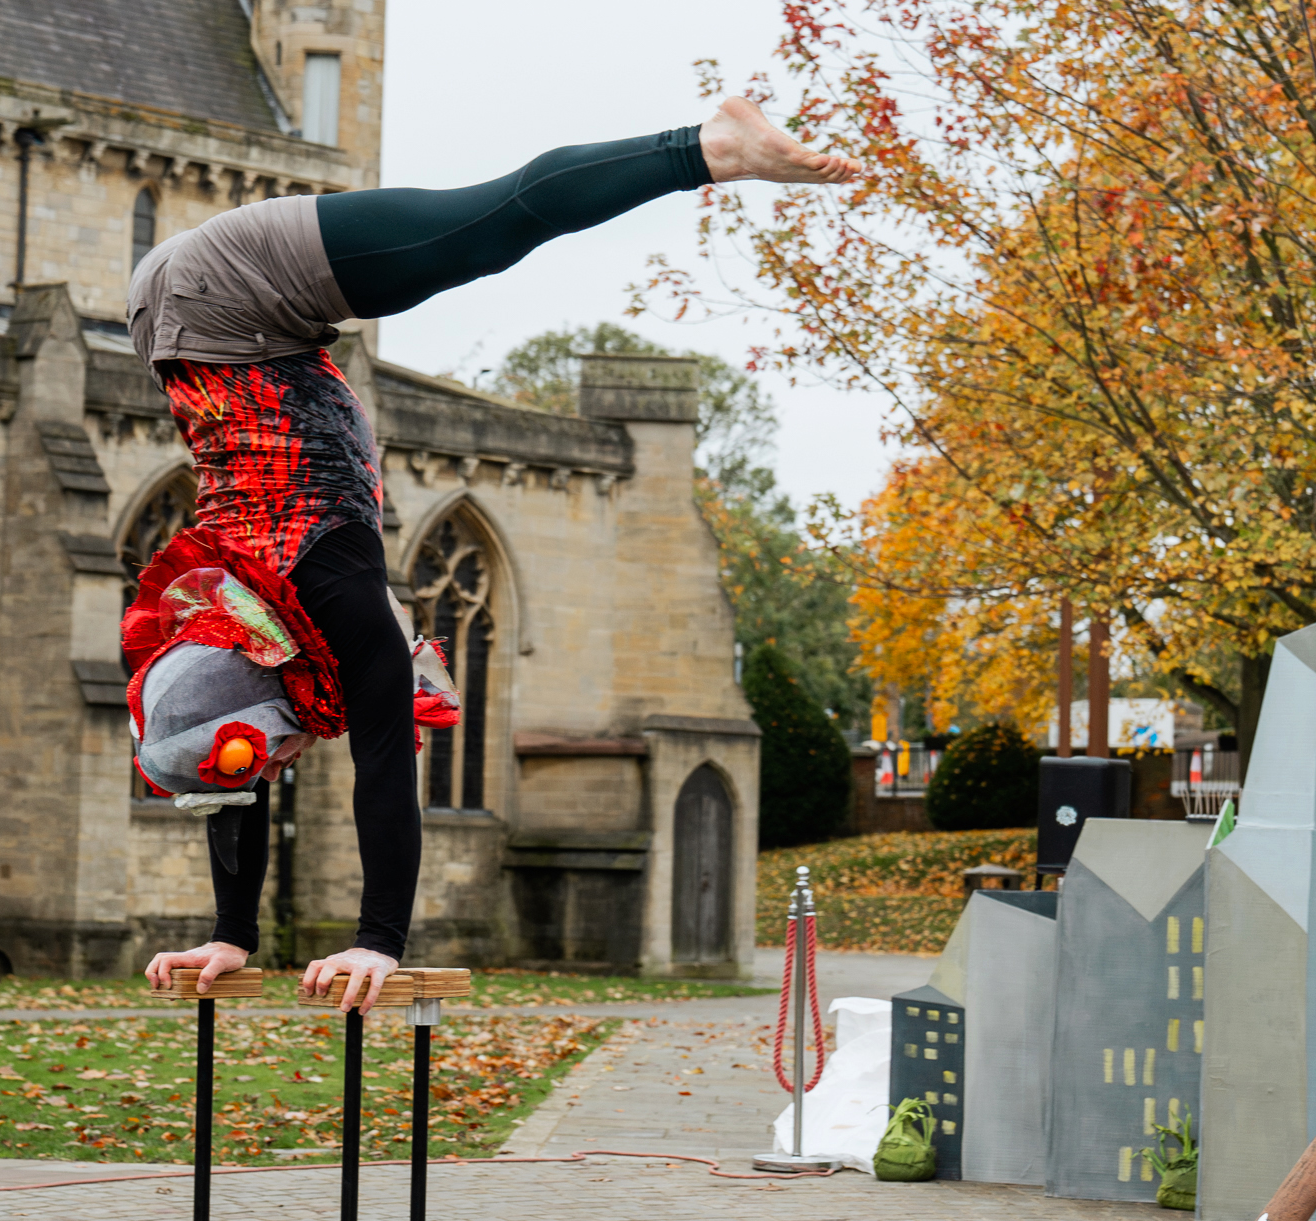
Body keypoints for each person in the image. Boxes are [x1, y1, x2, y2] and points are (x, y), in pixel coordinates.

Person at [137, 98, 861, 1014]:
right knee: (481, 235)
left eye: (265, 761)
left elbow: (385, 768)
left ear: (256, 715)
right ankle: (706, 149)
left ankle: (709, 145)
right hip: (191, 326)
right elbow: (226, 780)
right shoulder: (236, 633)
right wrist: (232, 935)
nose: (276, 771)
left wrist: (377, 941)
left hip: (231, 295)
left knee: (488, 224)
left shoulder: (324, 585)